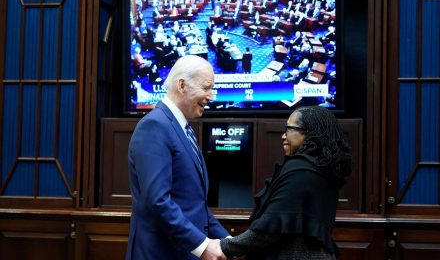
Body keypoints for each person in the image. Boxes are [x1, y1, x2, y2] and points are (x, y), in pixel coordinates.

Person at [126, 55, 229, 260]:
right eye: (207, 87)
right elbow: (158, 202)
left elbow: (194, 204)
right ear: (182, 85)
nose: (212, 96)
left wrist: (229, 243)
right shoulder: (154, 127)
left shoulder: (180, 127)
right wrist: (202, 246)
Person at [220, 106, 353, 260]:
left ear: (309, 133)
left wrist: (225, 247)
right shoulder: (320, 169)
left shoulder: (301, 170)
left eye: (289, 129)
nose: (283, 136)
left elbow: (269, 229)